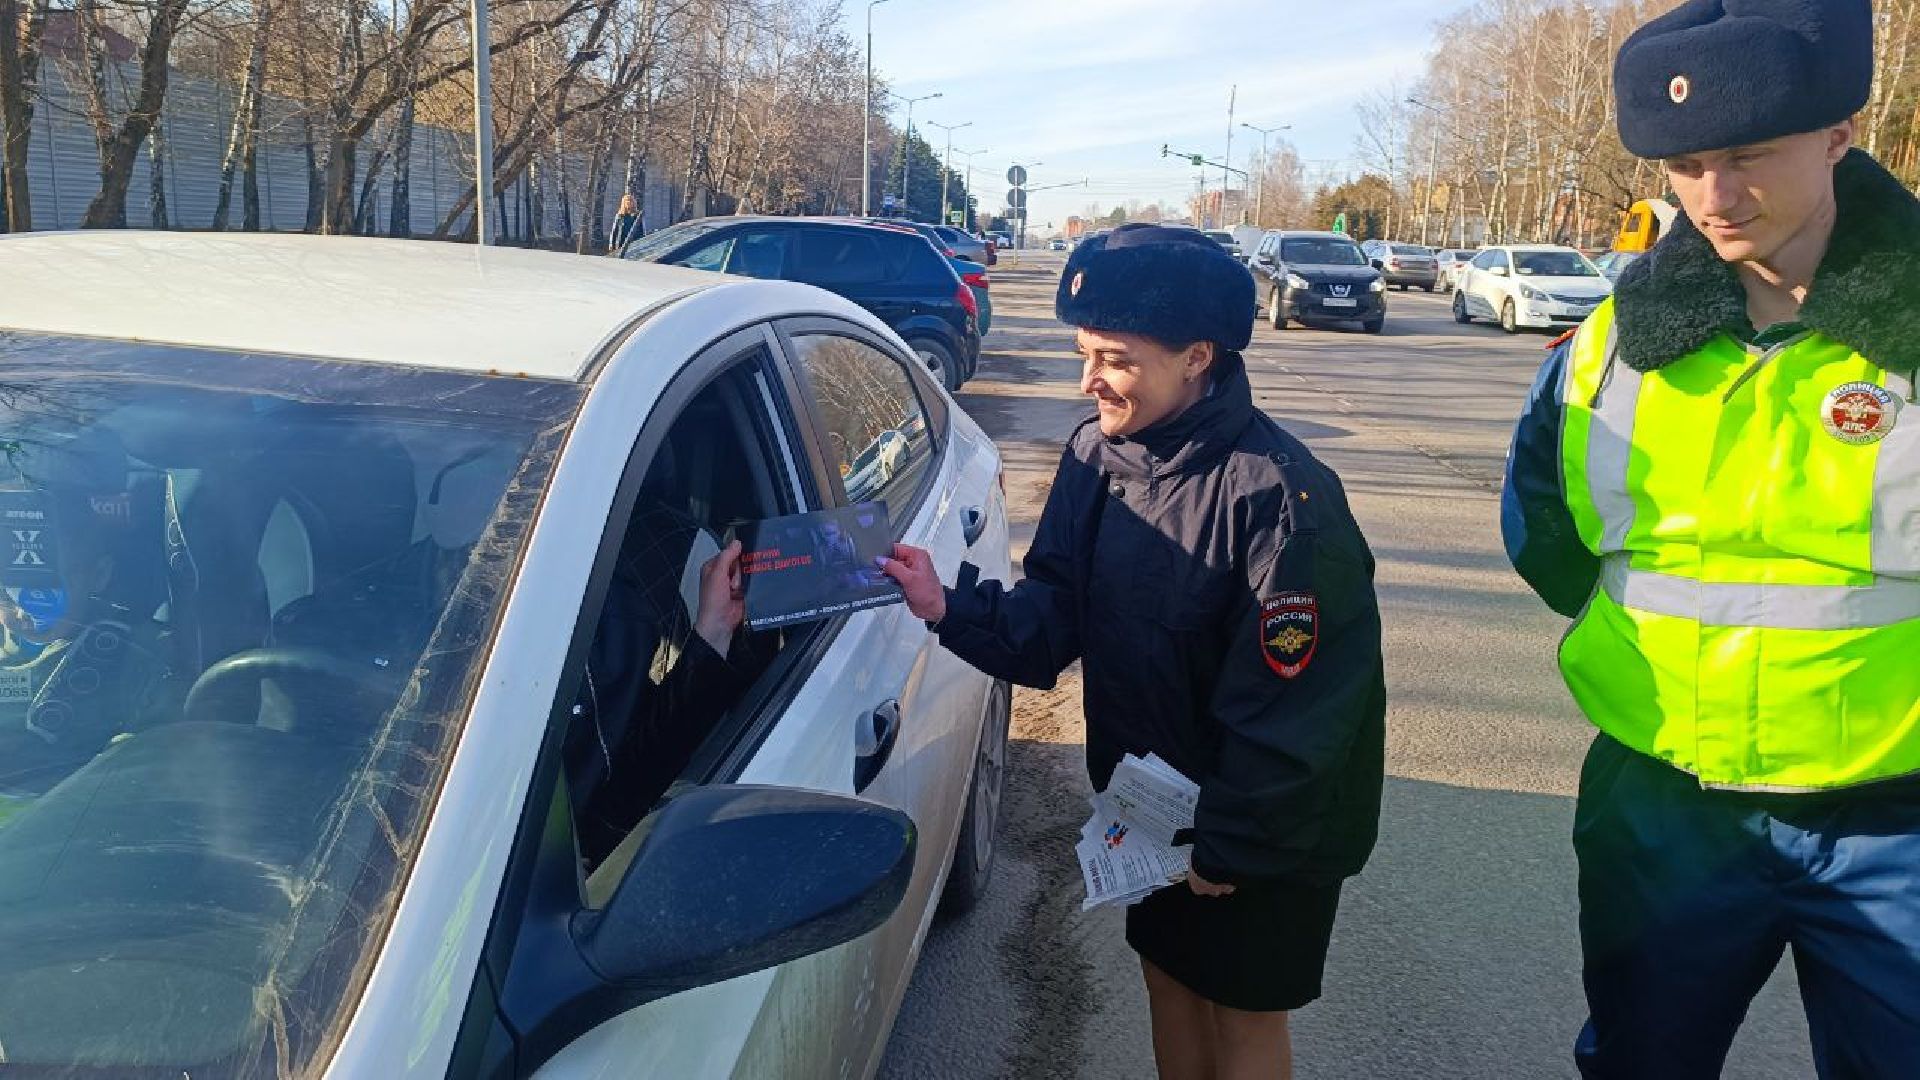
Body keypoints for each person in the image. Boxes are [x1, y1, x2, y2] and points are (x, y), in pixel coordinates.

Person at [1501, 1, 1920, 1075]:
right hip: (1662, 813)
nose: (1715, 198)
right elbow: (1545, 540)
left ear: (1838, 135)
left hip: (1900, 824)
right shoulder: (1604, 346)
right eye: (1685, 164)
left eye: (1747, 155)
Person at [882, 223, 1386, 1080]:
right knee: (1168, 975)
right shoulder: (1094, 456)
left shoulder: (1279, 495)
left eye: (1114, 358)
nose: (1090, 380)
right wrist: (949, 606)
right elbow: (1052, 615)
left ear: (1197, 356)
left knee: (1239, 1010)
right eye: (1085, 353)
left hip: (1263, 822)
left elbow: (1302, 711)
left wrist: (1227, 843)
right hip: (1151, 800)